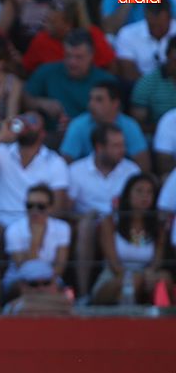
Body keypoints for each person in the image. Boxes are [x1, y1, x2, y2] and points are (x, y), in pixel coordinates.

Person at [67, 124, 140, 300]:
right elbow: (66, 211)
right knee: (87, 225)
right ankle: (83, 294)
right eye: (116, 145)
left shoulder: (132, 170)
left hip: (122, 227)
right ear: (99, 147)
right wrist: (90, 217)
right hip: (88, 227)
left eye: (123, 144)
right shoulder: (76, 170)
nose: (122, 150)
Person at [92, 173, 172, 305]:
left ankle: (161, 314)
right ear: (128, 195)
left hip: (145, 277)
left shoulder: (158, 227)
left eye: (149, 192)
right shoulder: (110, 222)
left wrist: (149, 274)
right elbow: (113, 264)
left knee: (164, 277)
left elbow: (156, 262)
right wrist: (135, 278)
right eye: (139, 191)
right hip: (114, 277)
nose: (145, 196)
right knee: (134, 280)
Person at [59, 81, 150, 171]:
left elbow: (143, 163)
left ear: (115, 103)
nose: (91, 104)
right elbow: (65, 162)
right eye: (90, 99)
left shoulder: (130, 126)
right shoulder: (78, 125)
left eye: (99, 100)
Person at [2, 183, 71, 296]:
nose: (34, 210)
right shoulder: (13, 229)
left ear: (50, 208)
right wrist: (35, 241)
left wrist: (44, 285)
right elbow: (23, 268)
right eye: (30, 206)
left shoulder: (63, 228)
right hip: (19, 280)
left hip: (50, 280)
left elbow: (59, 268)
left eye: (41, 206)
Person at [114, 0, 176, 83]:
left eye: (160, 25)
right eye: (152, 25)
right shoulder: (127, 34)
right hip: (140, 86)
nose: (156, 29)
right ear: (146, 17)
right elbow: (128, 72)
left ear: (169, 18)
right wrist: (150, 87)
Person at [3, 259, 72, 315]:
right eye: (33, 284)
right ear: (22, 286)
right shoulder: (11, 308)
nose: (41, 289)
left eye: (46, 283)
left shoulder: (69, 306)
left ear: (55, 283)